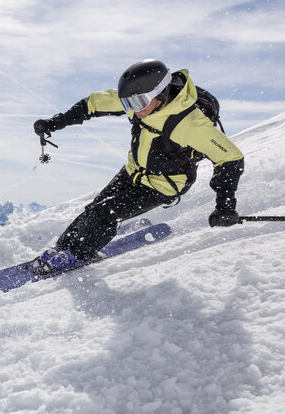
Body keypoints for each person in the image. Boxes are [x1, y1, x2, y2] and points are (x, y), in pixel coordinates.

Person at [33, 59, 245, 267]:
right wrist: (56, 122)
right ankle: (62, 249)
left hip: (163, 184)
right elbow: (93, 104)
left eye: (137, 103)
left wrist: (225, 205)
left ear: (161, 93)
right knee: (94, 209)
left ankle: (77, 255)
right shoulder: (138, 100)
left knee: (104, 213)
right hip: (133, 170)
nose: (133, 110)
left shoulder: (189, 123)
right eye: (127, 104)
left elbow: (230, 158)